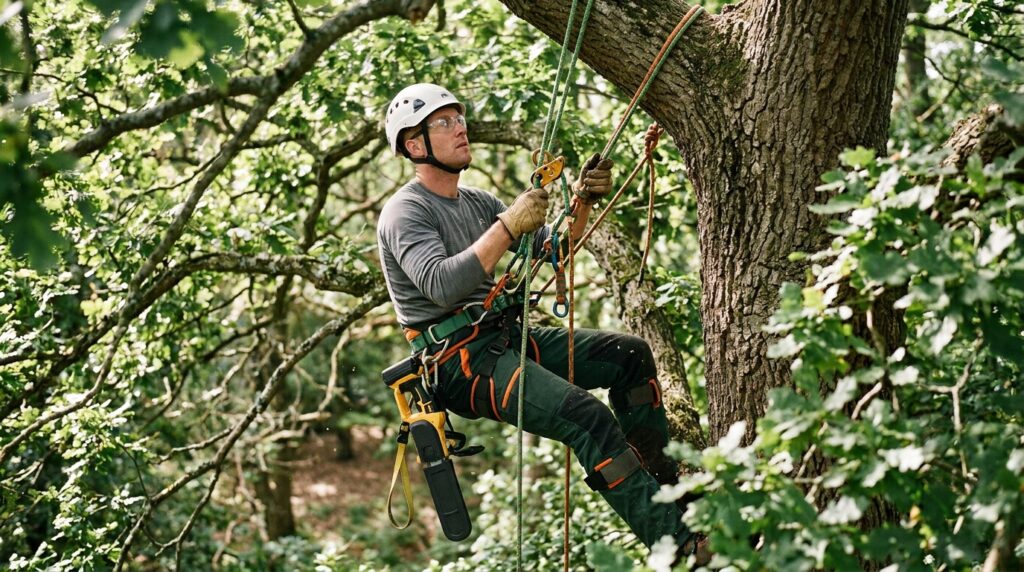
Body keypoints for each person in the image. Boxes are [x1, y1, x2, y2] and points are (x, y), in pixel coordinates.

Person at [376, 83, 709, 565]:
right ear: (414, 144)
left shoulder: (476, 202)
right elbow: (441, 285)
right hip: (459, 364)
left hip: (506, 338)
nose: (460, 128)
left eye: (459, 118)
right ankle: (681, 546)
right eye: (444, 122)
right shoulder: (405, 212)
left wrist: (582, 202)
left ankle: (668, 491)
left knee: (630, 355)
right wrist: (508, 224)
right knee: (585, 418)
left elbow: (552, 249)